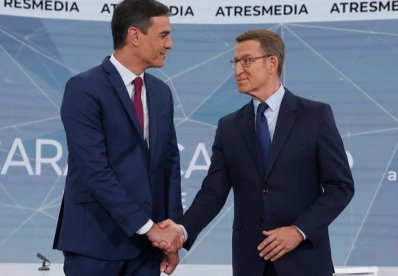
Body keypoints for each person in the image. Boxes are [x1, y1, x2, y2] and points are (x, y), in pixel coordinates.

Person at [158, 29, 354, 276]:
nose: (238, 70)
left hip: (304, 260)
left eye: (246, 61)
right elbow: (213, 193)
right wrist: (181, 230)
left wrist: (298, 231)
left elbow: (340, 187)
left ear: (272, 62)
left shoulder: (315, 116)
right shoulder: (229, 127)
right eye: (236, 62)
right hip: (251, 263)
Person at [53, 0, 184, 275]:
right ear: (134, 35)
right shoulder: (84, 88)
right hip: (95, 245)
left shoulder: (161, 93)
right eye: (163, 35)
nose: (170, 44)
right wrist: (148, 227)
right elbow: (94, 169)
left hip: (147, 250)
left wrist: (170, 238)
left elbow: (169, 166)